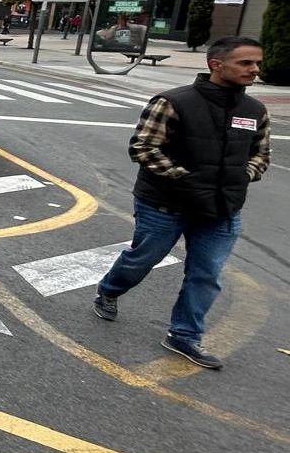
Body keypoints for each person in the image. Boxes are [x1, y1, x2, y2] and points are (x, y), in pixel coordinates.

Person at [92, 37, 270, 369]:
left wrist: (243, 175)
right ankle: (109, 290)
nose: (255, 70)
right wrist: (182, 177)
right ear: (216, 65)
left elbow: (261, 155)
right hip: (165, 205)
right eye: (246, 63)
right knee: (143, 259)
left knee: (206, 274)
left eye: (257, 63)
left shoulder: (254, 111)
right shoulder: (174, 102)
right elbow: (143, 148)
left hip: (222, 210)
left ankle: (184, 336)